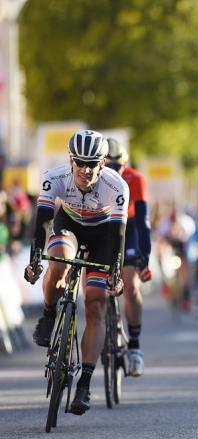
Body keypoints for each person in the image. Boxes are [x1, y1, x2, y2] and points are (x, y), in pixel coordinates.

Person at [24, 130, 128, 415]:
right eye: (79, 162)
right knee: (59, 263)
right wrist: (35, 260)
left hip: (104, 235)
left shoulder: (116, 186)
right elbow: (43, 222)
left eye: (91, 164)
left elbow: (119, 235)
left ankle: (84, 384)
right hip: (69, 225)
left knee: (96, 303)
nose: (85, 169)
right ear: (70, 160)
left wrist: (115, 273)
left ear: (103, 164)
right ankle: (48, 316)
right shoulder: (54, 177)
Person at [105, 138, 152, 376]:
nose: (115, 173)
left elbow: (143, 222)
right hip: (102, 226)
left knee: (131, 286)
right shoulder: (93, 175)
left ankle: (134, 348)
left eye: (119, 168)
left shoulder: (136, 179)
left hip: (130, 227)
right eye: (109, 168)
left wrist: (146, 255)